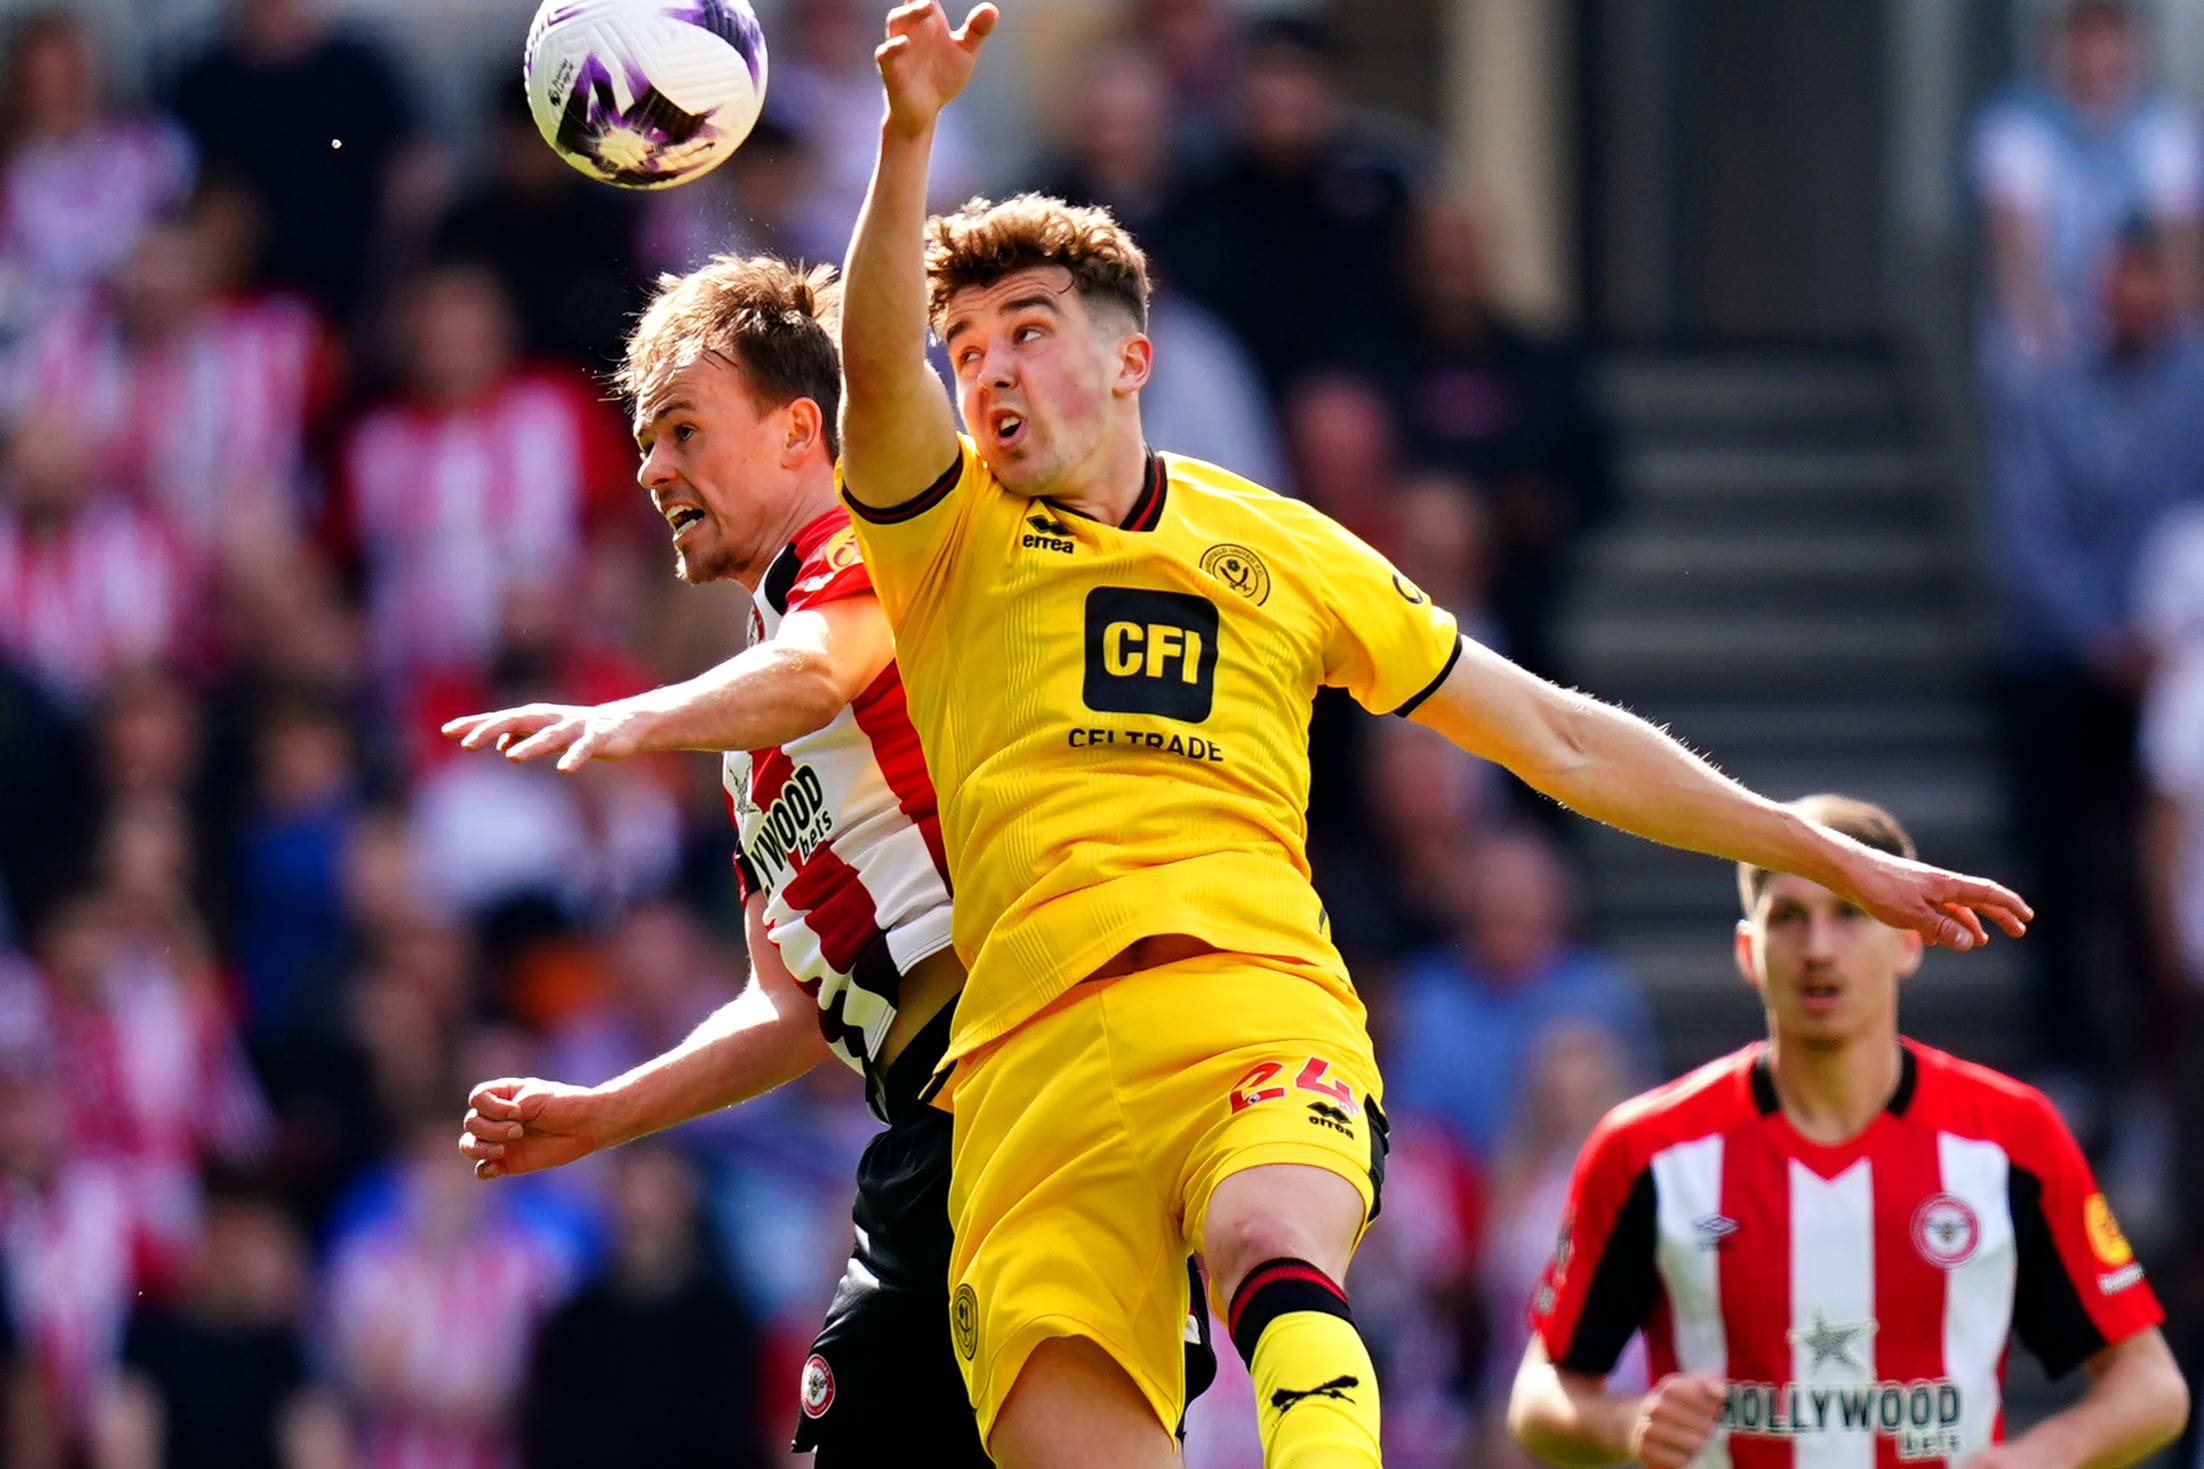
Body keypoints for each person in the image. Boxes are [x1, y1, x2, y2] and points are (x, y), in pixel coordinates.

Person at [833, 8, 2029, 1468]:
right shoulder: (948, 542)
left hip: (1248, 1004)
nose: (990, 374)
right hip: (1026, 1068)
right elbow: (878, 381)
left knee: (1273, 1246)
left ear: (1134, 357)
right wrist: (908, 140)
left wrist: (1804, 843)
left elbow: (1557, 739)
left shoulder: (1283, 548)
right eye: (968, 350)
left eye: (1027, 333)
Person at [448, 253, 1206, 1464]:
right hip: (931, 1126)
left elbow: (822, 666)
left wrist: (630, 713)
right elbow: (787, 1005)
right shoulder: (748, 740)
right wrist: (604, 1114)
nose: (652, 469)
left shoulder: (875, 547)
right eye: (645, 443)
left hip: (1036, 1083)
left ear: (801, 430)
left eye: (685, 429)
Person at [1506, 795, 2188, 1469]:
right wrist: (1625, 1421)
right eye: (1789, 917)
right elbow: (1539, 1396)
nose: (1818, 947)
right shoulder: (1648, 1149)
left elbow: (2152, 1383)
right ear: (1750, 950)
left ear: (1908, 941)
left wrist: (2042, 1455)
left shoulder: (2009, 1137)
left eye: (1851, 913)